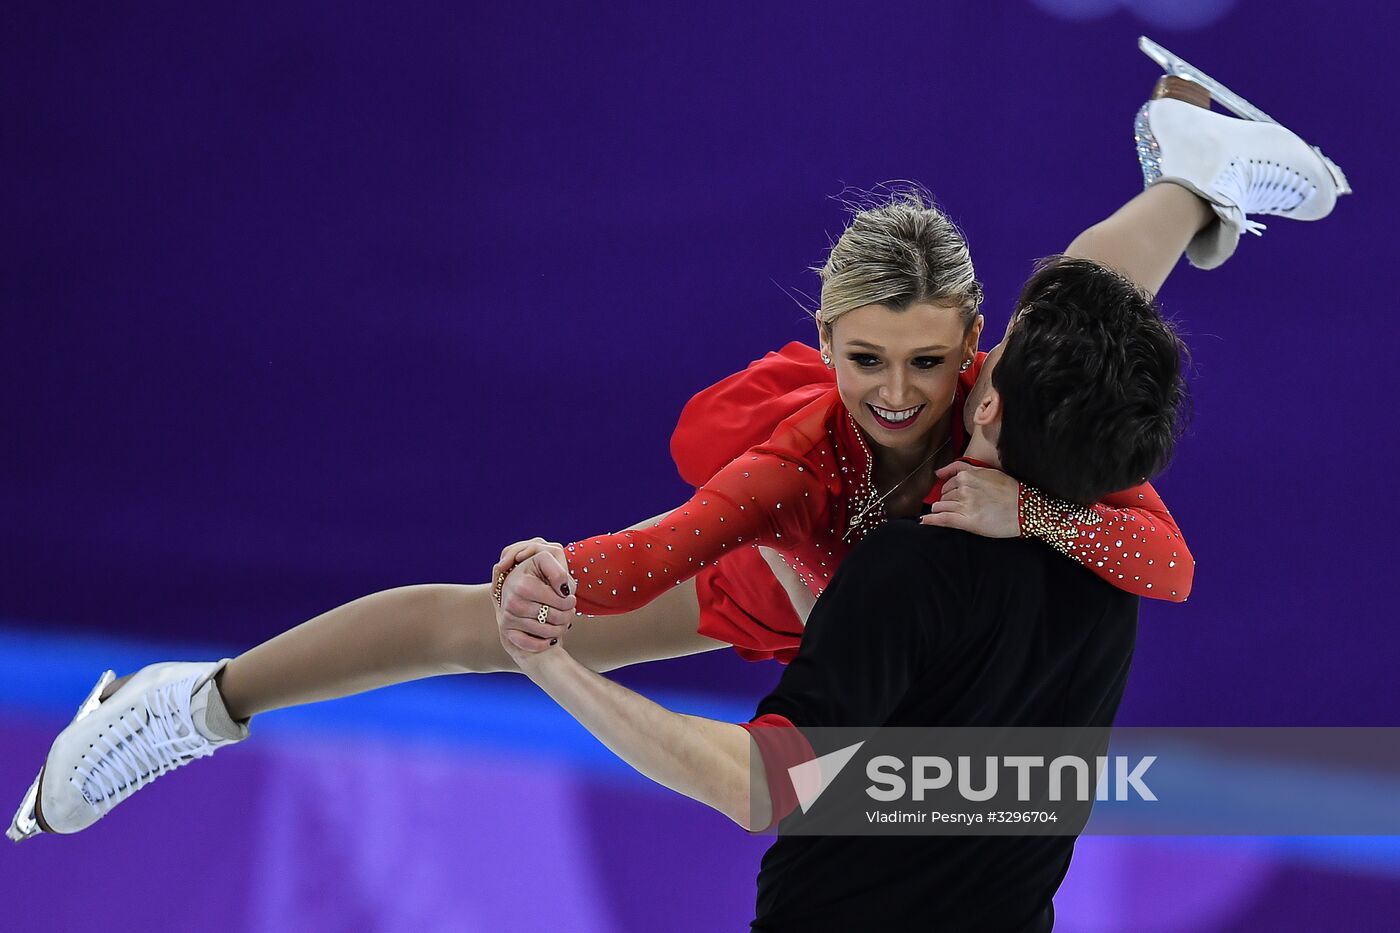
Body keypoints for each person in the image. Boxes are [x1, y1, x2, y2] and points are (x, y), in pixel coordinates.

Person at [10, 61, 1345, 841]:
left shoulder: (1010, 411)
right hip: (795, 587)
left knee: (1082, 342)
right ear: (822, 339)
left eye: (932, 364)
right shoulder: (791, 465)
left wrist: (1030, 517)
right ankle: (194, 705)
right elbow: (650, 553)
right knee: (478, 631)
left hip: (933, 588)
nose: (897, 393)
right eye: (865, 359)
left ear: (969, 351)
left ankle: (1191, 162)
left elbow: (1162, 566)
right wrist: (552, 578)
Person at [495, 251, 1185, 930]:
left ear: (990, 400)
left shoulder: (909, 570)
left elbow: (760, 786)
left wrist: (554, 668)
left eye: (997, 349)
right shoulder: (1111, 587)